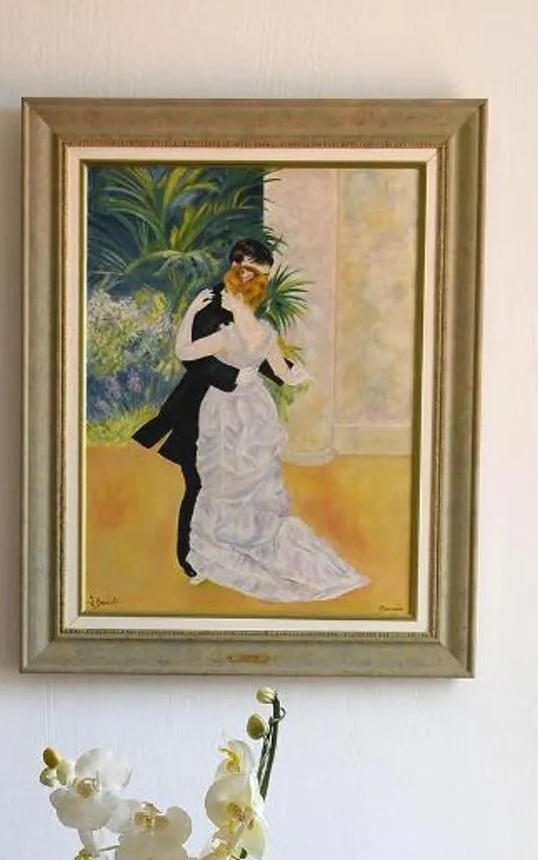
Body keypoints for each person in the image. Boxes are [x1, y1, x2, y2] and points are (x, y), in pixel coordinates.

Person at [133, 238, 365, 601]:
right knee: (202, 484)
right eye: (256, 273)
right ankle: (192, 556)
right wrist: (242, 376)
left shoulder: (243, 308)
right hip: (205, 408)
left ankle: (226, 545)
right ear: (238, 266)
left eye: (264, 276)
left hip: (237, 411)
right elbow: (197, 363)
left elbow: (245, 351)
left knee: (235, 485)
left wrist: (279, 370)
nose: (260, 282)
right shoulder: (209, 305)